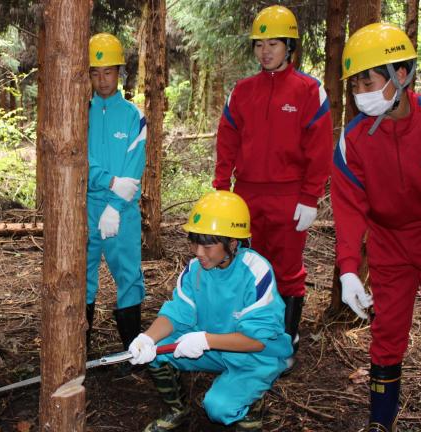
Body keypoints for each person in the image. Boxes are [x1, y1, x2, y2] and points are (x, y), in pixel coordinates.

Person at [331, 22, 421, 432]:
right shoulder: (354, 140)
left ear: (401, 73)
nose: (360, 93)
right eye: (354, 85)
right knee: (387, 332)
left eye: (368, 80)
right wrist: (346, 270)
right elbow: (347, 209)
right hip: (388, 245)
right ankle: (380, 423)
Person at [212, 4, 332, 368]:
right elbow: (227, 139)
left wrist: (310, 196)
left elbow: (320, 147)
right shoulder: (243, 90)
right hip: (245, 195)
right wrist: (221, 188)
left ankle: (285, 340)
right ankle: (251, 335)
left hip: (289, 196)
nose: (265, 52)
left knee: (288, 269)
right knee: (247, 265)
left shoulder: (309, 90)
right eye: (259, 44)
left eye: (274, 44)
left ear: (290, 46)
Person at [128, 191, 293, 431]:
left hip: (252, 355)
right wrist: (147, 338)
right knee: (157, 351)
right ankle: (178, 410)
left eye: (207, 245)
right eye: (194, 242)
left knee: (218, 408)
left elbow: (257, 341)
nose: (198, 252)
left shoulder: (256, 272)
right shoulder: (194, 269)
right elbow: (177, 312)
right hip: (212, 346)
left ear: (233, 243)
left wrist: (205, 340)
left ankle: (252, 406)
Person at [86, 33, 147, 356]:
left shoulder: (134, 116)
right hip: (84, 208)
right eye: (95, 73)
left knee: (129, 276)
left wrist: (114, 206)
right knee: (81, 276)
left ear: (119, 72)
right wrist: (109, 182)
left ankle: (131, 351)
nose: (102, 80)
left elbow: (134, 168)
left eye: (108, 72)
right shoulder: (80, 113)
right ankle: (77, 349)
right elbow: (80, 160)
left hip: (123, 213)